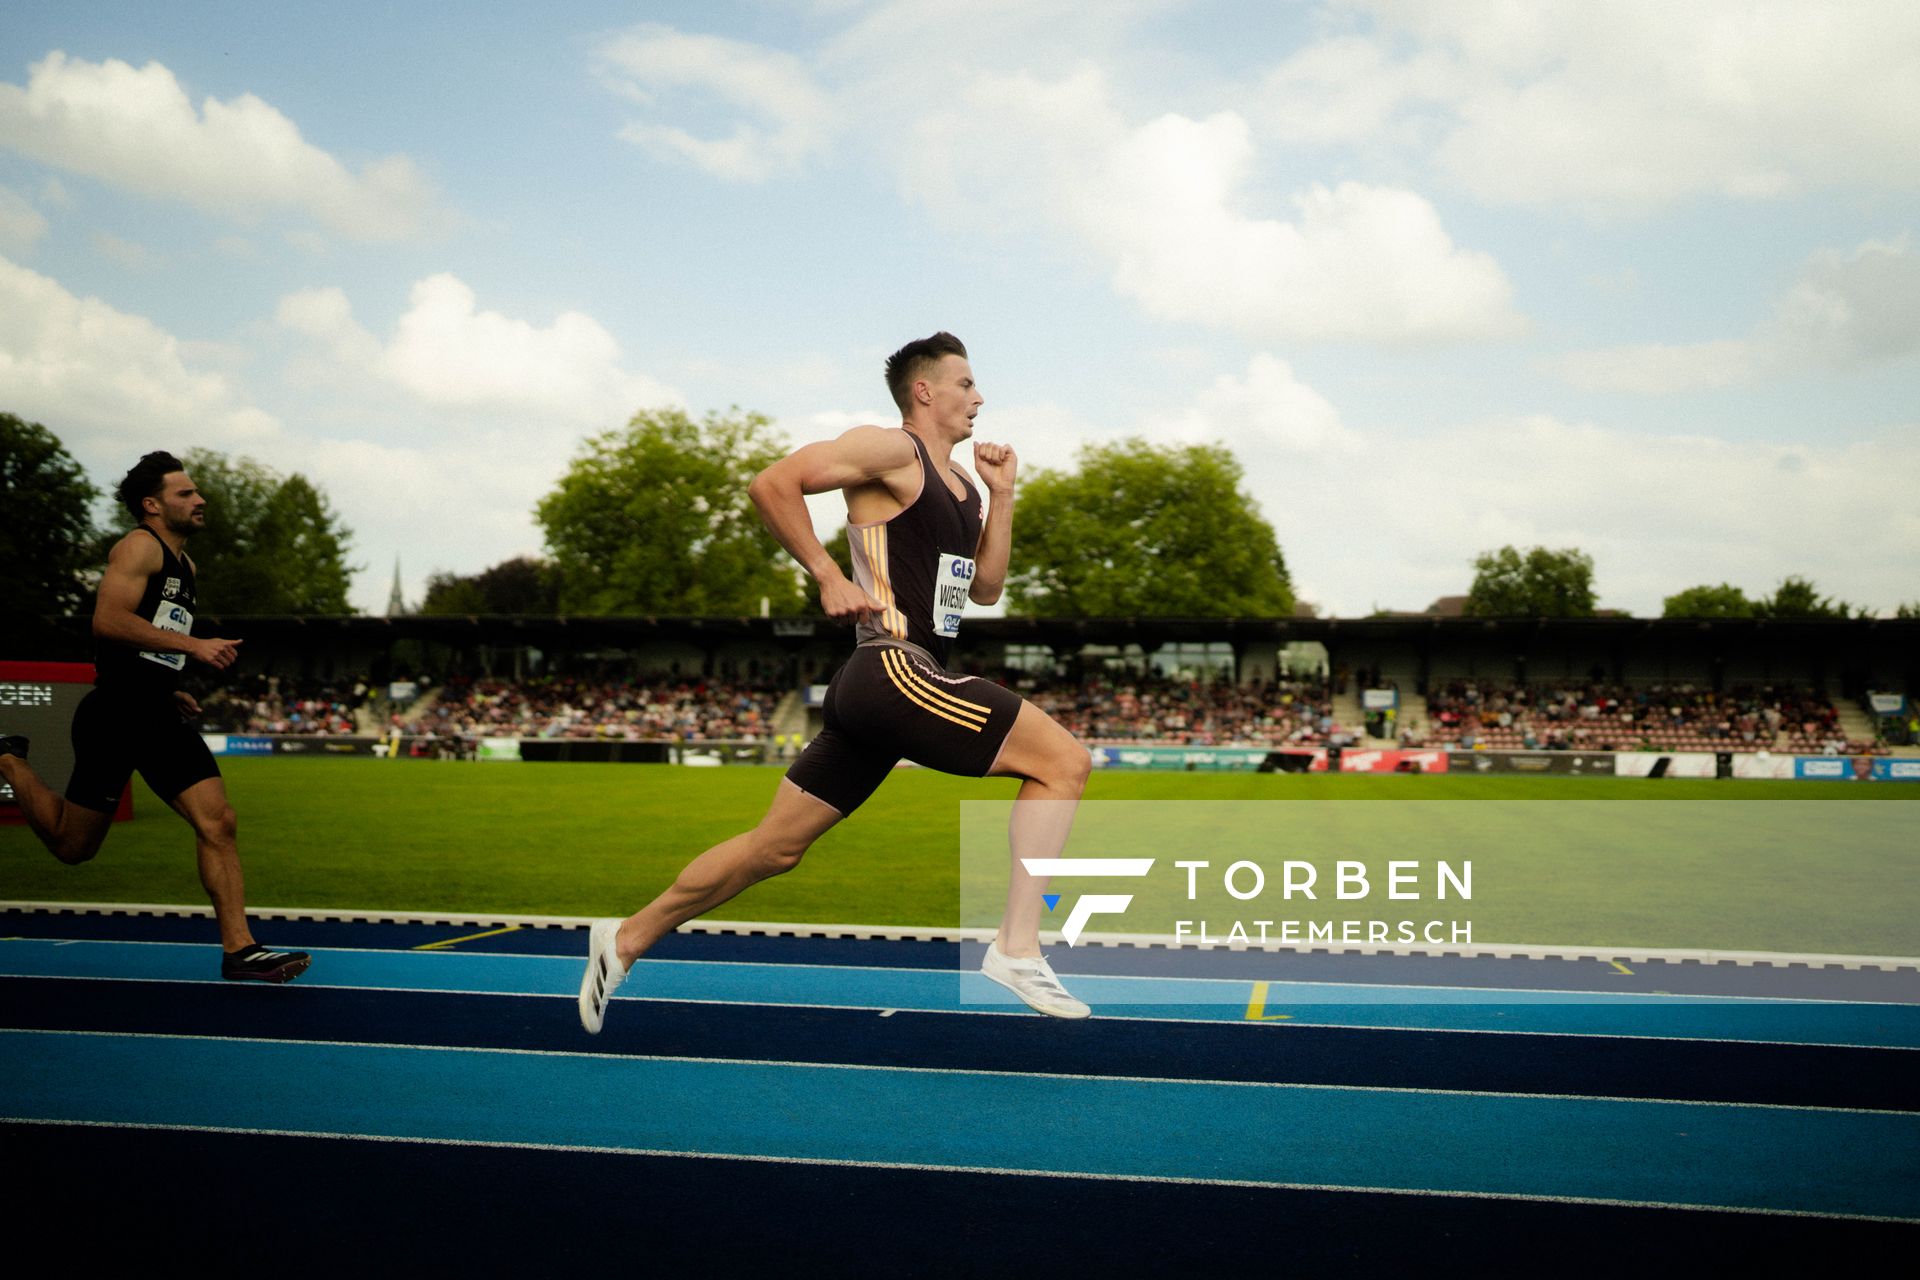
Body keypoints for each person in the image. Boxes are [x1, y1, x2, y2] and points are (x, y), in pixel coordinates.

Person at [578, 332, 1092, 1031]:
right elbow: (772, 482)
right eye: (966, 384)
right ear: (924, 392)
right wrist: (826, 574)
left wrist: (1003, 495)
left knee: (775, 849)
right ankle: (1017, 947)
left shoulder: (967, 487)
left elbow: (988, 589)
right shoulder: (891, 450)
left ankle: (626, 937)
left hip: (892, 686)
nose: (979, 397)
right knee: (1064, 761)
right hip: (891, 668)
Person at [0, 451, 310, 983]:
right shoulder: (138, 547)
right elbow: (108, 621)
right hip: (116, 713)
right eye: (185, 493)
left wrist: (168, 689)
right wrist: (193, 645)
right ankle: (9, 760)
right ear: (152, 504)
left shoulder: (186, 566)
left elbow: (147, 640)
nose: (199, 499)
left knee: (220, 821)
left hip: (153, 711)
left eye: (197, 492)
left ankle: (239, 950)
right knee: (74, 847)